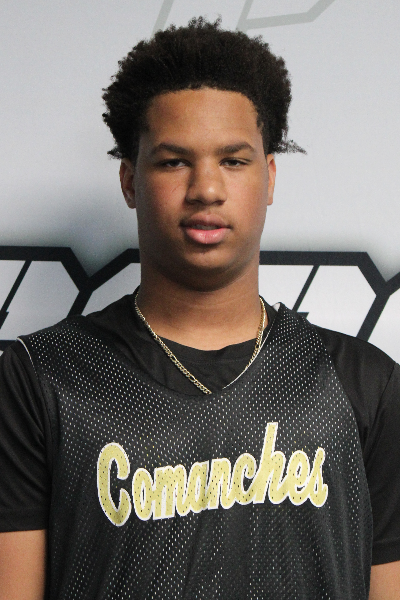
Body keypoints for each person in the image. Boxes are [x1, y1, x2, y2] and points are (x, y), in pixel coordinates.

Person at [0, 17, 399, 600]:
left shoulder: (363, 382)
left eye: (233, 161)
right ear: (129, 180)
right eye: (173, 161)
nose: (206, 189)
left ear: (269, 178)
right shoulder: (40, 378)